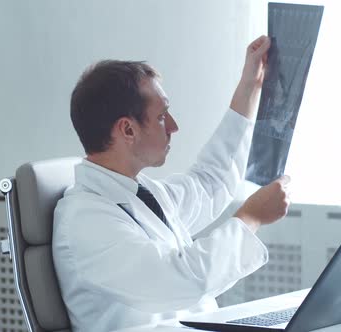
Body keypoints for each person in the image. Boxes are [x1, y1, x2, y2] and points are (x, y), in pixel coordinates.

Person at [53, 35, 290, 332]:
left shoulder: (143, 193)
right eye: (163, 116)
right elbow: (175, 281)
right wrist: (250, 218)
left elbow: (210, 182)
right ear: (128, 129)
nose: (174, 126)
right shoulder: (84, 220)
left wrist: (250, 87)